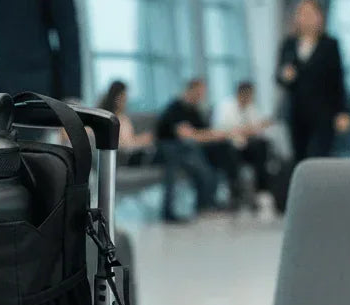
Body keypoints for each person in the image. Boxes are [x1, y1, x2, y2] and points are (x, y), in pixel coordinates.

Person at [276, 0, 350, 166]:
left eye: (311, 13)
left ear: (320, 17)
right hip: (297, 114)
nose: (306, 17)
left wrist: (343, 111)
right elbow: (279, 79)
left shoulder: (330, 45)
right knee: (300, 159)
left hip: (323, 114)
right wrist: (285, 76)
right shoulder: (289, 45)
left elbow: (337, 80)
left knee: (318, 158)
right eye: (302, 13)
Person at [156, 79, 242, 221]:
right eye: (200, 92)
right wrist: (212, 135)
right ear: (191, 90)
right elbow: (187, 135)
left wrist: (216, 135)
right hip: (170, 151)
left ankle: (209, 203)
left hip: (190, 150)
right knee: (201, 164)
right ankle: (201, 205)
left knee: (220, 153)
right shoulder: (175, 108)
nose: (202, 96)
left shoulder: (194, 110)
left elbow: (202, 132)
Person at [215, 80, 274, 202]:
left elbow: (257, 131)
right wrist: (250, 129)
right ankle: (235, 193)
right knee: (231, 152)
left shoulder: (251, 108)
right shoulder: (226, 107)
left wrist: (250, 130)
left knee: (262, 146)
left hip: (248, 147)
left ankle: (262, 192)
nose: (251, 98)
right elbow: (224, 131)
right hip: (228, 147)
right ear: (242, 93)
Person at [98, 80, 154, 160]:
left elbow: (128, 140)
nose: (126, 100)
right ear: (117, 98)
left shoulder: (121, 117)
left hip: (130, 150)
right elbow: (126, 145)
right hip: (125, 156)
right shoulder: (113, 119)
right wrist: (142, 141)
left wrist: (142, 138)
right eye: (123, 97)